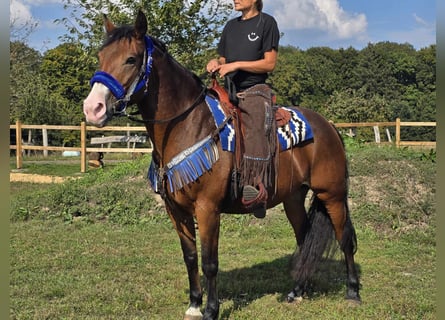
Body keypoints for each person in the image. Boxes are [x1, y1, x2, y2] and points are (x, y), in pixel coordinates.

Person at [206, 0, 280, 218]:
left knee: (256, 121)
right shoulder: (230, 26)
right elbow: (223, 59)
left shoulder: (267, 23)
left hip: (255, 90)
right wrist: (215, 63)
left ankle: (256, 186)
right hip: (228, 90)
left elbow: (269, 64)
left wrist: (237, 65)